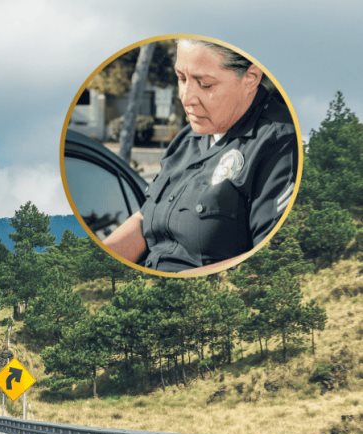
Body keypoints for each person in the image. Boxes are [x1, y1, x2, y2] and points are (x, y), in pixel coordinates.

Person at [104, 39, 297, 272]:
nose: (186, 97)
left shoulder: (279, 144)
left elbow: (268, 262)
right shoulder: (189, 137)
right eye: (181, 78)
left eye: (205, 84)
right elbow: (146, 217)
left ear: (250, 78)